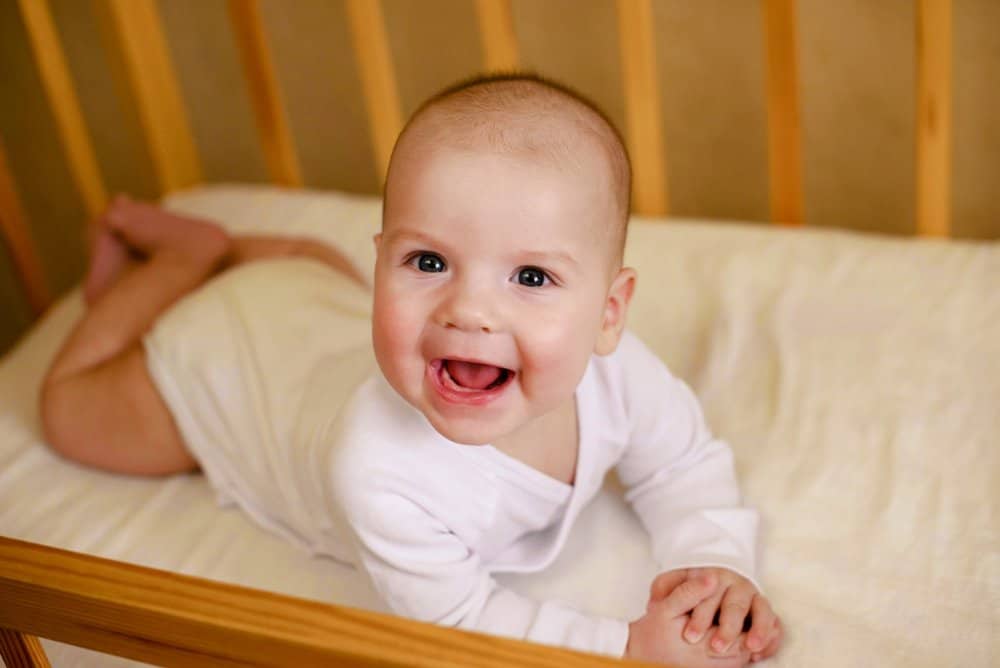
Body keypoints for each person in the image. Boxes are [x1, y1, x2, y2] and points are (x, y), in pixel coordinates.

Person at [40, 74, 782, 666]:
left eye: (530, 277)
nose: (469, 311)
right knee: (67, 413)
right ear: (385, 259)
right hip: (227, 375)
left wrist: (712, 568)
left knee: (310, 274)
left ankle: (244, 257)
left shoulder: (621, 377)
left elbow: (682, 465)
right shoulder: (380, 467)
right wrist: (623, 648)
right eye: (427, 262)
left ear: (609, 315)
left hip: (307, 302)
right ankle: (183, 261)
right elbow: (464, 623)